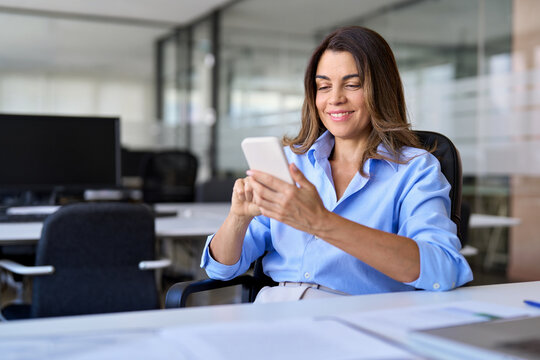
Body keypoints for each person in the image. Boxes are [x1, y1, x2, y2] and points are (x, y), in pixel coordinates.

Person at [201, 26, 473, 303]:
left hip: (361, 316)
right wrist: (238, 218)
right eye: (324, 86)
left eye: (352, 84)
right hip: (275, 312)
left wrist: (322, 222)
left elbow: (442, 269)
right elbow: (221, 268)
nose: (334, 99)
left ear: (381, 89)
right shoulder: (291, 163)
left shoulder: (416, 169)